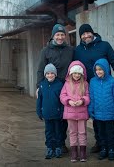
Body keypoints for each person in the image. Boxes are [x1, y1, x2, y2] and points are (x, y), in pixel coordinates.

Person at [74, 24, 114, 154]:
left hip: (106, 86)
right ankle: (100, 143)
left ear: (93, 33)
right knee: (96, 118)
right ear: (80, 37)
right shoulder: (78, 50)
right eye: (83, 34)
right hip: (89, 88)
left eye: (88, 33)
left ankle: (112, 145)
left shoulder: (104, 45)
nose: (86, 36)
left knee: (107, 119)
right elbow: (74, 68)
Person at [36, 24, 74, 153]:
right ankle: (51, 144)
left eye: (62, 34)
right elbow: (41, 70)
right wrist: (39, 86)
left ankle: (61, 143)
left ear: (65, 36)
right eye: (57, 34)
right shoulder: (45, 51)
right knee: (52, 118)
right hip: (51, 87)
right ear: (53, 36)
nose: (60, 37)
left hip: (67, 87)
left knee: (63, 117)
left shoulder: (70, 50)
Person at [88, 58, 114, 161]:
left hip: (109, 114)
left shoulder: (112, 81)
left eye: (101, 69)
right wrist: (91, 109)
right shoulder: (93, 81)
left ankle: (111, 149)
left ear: (106, 69)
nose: (98, 72)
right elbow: (92, 97)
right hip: (98, 114)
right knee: (100, 133)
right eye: (97, 69)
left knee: (110, 134)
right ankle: (103, 149)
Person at [60, 61, 90, 162]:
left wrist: (82, 100)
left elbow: (88, 95)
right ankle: (74, 152)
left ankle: (82, 152)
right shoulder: (67, 84)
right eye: (75, 73)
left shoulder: (85, 84)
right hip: (70, 112)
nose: (76, 75)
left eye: (78, 73)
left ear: (81, 74)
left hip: (82, 112)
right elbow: (62, 96)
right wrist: (68, 101)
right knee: (72, 132)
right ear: (71, 73)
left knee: (82, 132)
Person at [36, 63, 64, 159]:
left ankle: (58, 147)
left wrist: (62, 112)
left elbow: (62, 100)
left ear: (55, 74)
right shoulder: (42, 85)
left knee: (58, 132)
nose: (50, 75)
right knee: (48, 132)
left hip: (57, 114)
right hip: (47, 114)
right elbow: (39, 99)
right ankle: (49, 148)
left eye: (52, 73)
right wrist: (39, 111)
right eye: (47, 73)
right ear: (45, 74)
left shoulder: (59, 85)